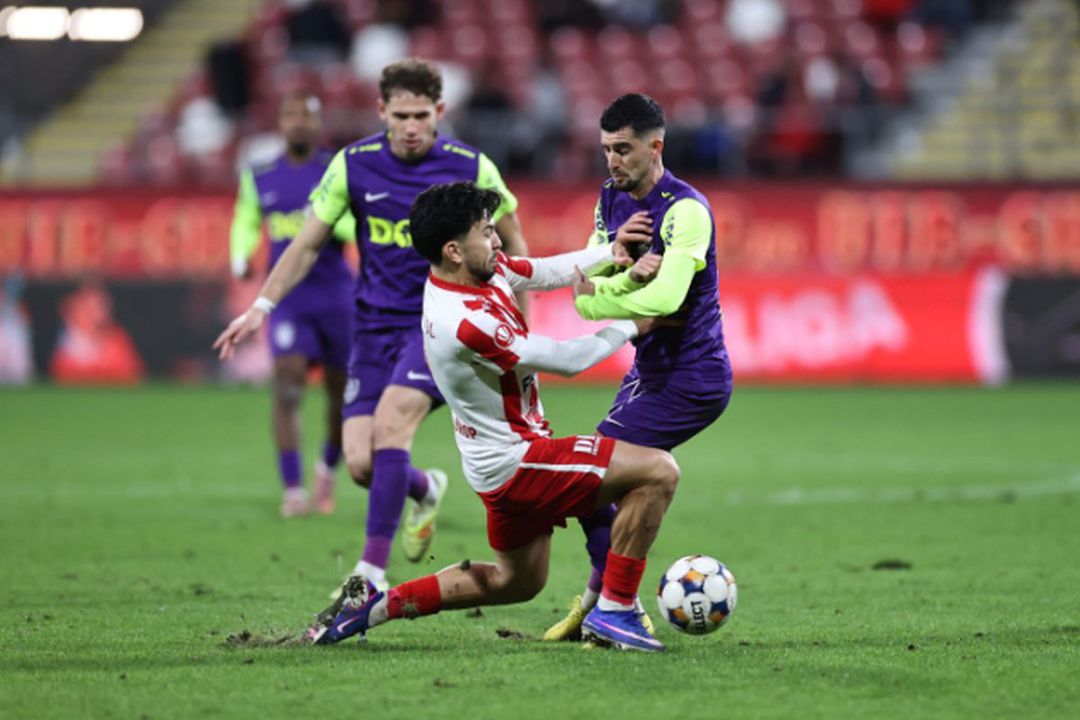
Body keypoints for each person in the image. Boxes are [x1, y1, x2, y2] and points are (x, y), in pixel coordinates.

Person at [307, 181, 679, 652]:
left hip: (492, 464)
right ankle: (617, 612)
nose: (498, 240)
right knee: (658, 472)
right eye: (486, 232)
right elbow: (567, 360)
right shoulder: (465, 322)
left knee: (516, 582)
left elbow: (539, 271)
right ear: (453, 250)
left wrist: (610, 252)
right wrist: (634, 324)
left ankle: (374, 606)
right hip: (519, 460)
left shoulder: (474, 271)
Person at [215, 59, 530, 592]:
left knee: (391, 429)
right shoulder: (352, 165)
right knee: (362, 463)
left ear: (440, 111)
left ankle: (370, 573)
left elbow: (515, 241)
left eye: (422, 115)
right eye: (401, 115)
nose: (411, 127)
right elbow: (306, 244)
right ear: (382, 111)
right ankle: (424, 488)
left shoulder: (471, 166)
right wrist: (260, 306)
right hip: (372, 329)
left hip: (438, 324)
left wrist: (519, 328)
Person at [544, 93, 734, 641]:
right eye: (606, 149)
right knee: (596, 481)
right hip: (647, 374)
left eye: (623, 149)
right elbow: (585, 285)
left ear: (656, 146)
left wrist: (603, 294)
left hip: (693, 378)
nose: (612, 161)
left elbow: (665, 299)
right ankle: (603, 604)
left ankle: (614, 605)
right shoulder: (609, 199)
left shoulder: (686, 211)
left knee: (590, 477)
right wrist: (621, 271)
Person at [228, 92, 354, 517]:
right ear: (280, 123)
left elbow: (353, 221)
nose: (298, 122)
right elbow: (246, 219)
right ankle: (294, 489)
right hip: (288, 300)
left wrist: (335, 226)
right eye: (290, 115)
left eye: (307, 116)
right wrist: (240, 255)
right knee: (287, 383)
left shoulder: (337, 171)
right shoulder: (260, 175)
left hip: (336, 297)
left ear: (319, 124)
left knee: (341, 395)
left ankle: (326, 469)